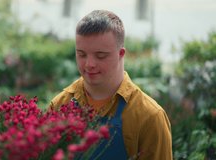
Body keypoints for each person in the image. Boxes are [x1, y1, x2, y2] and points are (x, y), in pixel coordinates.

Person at [49, 10, 172, 160]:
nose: (89, 64)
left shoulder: (150, 117)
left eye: (100, 56)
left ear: (121, 54)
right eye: (81, 54)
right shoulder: (59, 106)